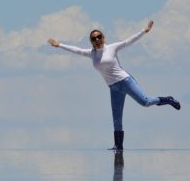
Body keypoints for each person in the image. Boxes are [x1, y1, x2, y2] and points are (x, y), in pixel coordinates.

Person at [48, 21, 180, 150]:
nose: (97, 40)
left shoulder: (112, 48)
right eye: (94, 39)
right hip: (113, 87)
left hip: (125, 81)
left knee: (145, 102)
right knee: (117, 118)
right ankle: (118, 145)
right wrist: (59, 45)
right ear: (91, 42)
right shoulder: (91, 53)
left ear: (103, 38)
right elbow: (76, 50)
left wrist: (144, 31)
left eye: (99, 37)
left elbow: (128, 41)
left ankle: (168, 99)